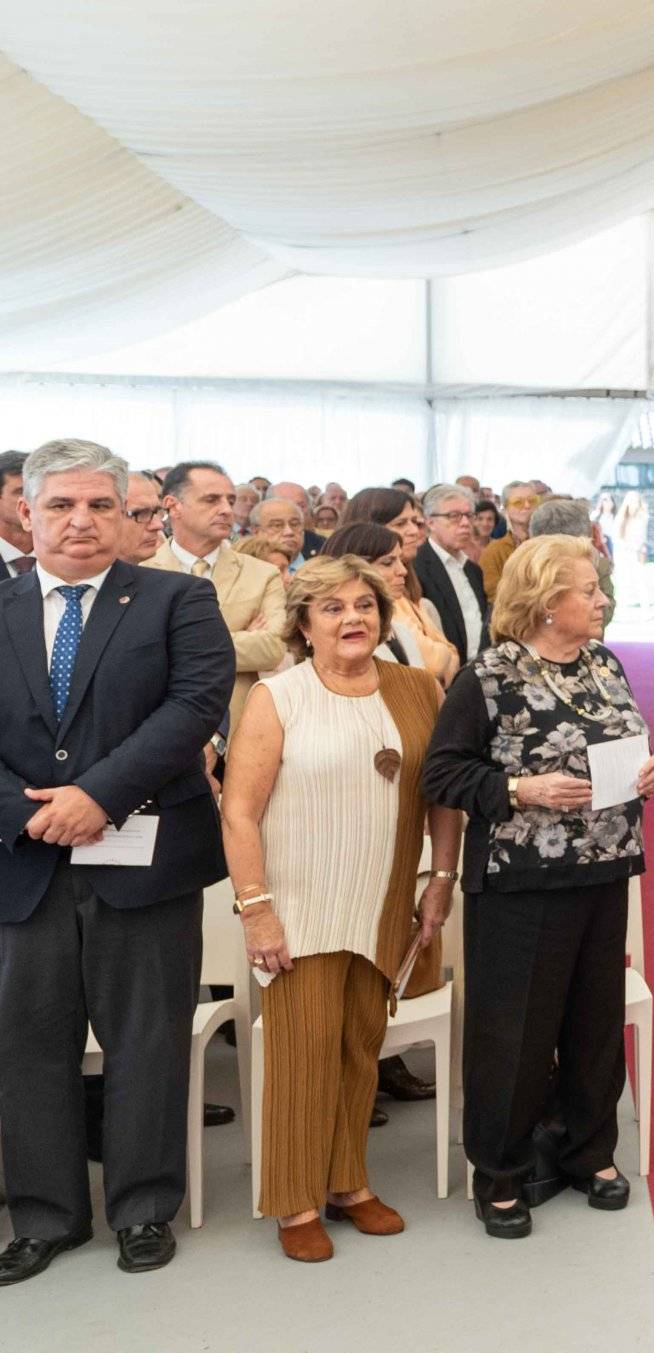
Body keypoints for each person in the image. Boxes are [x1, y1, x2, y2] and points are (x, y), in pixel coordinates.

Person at [0, 439, 232, 1286]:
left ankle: (141, 1208)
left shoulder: (177, 599)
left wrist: (94, 796)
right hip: (22, 866)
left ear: (132, 515)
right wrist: (35, 818)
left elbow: (194, 705)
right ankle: (45, 1215)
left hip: (144, 861)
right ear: (28, 512)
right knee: (27, 1043)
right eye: (61, 505)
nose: (82, 522)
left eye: (102, 505)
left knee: (146, 1040)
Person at [422, 536, 654, 1238]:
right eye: (587, 590)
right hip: (520, 879)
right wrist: (520, 787)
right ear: (543, 601)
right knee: (516, 1032)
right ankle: (500, 1169)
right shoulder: (489, 675)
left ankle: (588, 1149)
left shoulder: (603, 662)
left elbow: (626, 742)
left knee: (593, 1023)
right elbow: (442, 774)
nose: (601, 601)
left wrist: (649, 771)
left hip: (605, 865)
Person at [218, 558, 462, 1261]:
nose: (353, 618)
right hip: (298, 902)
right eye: (332, 607)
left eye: (365, 605)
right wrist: (257, 909)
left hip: (384, 896)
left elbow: (443, 793)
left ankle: (348, 1181)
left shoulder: (418, 689)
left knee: (360, 1047)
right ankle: (294, 1200)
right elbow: (239, 812)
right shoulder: (278, 695)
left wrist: (440, 877)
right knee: (303, 1051)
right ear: (302, 623)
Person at [145, 459, 287, 735]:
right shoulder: (142, 574)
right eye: (211, 500)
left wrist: (173, 643)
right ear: (173, 506)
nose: (225, 510)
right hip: (162, 731)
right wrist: (237, 638)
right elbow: (141, 660)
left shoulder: (262, 574)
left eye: (229, 500)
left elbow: (272, 649)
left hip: (243, 732)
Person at [323, 521, 459, 687]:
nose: (403, 571)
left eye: (400, 561)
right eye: (388, 563)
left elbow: (422, 687)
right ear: (352, 567)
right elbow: (437, 664)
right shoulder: (332, 633)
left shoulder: (399, 629)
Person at [412, 483, 490, 661]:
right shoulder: (417, 567)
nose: (465, 523)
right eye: (453, 516)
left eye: (469, 515)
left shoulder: (473, 570)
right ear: (430, 521)